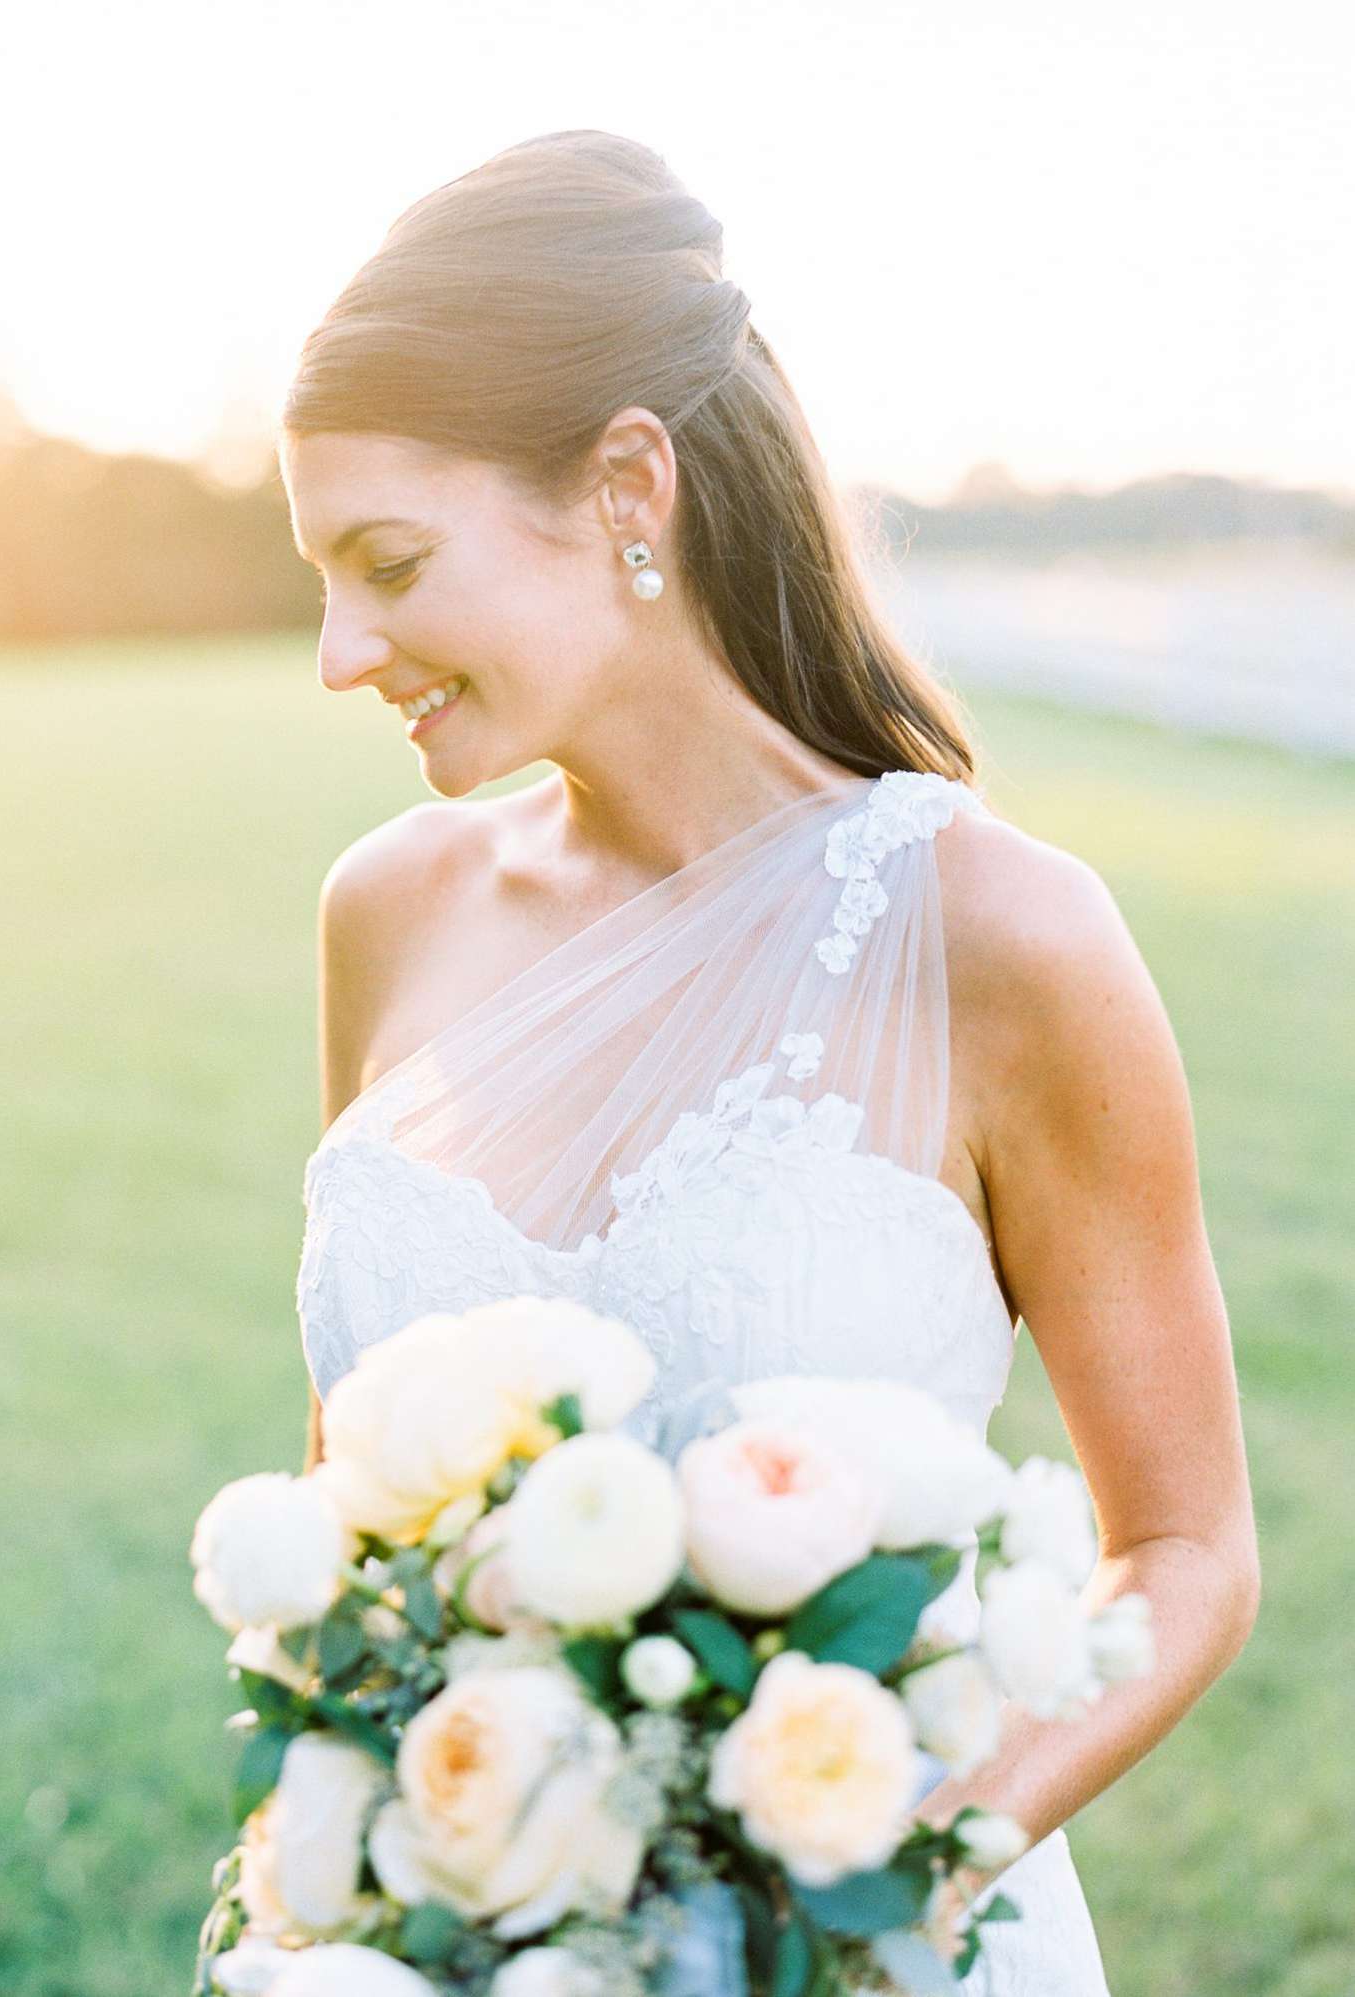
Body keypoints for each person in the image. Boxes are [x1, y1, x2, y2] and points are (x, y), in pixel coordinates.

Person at [278, 130, 1260, 1992]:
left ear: (626, 483)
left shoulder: (1005, 941)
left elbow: (1190, 1546)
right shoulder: (382, 914)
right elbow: (349, 1517)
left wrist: (876, 1872)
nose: (341, 651)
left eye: (389, 563)